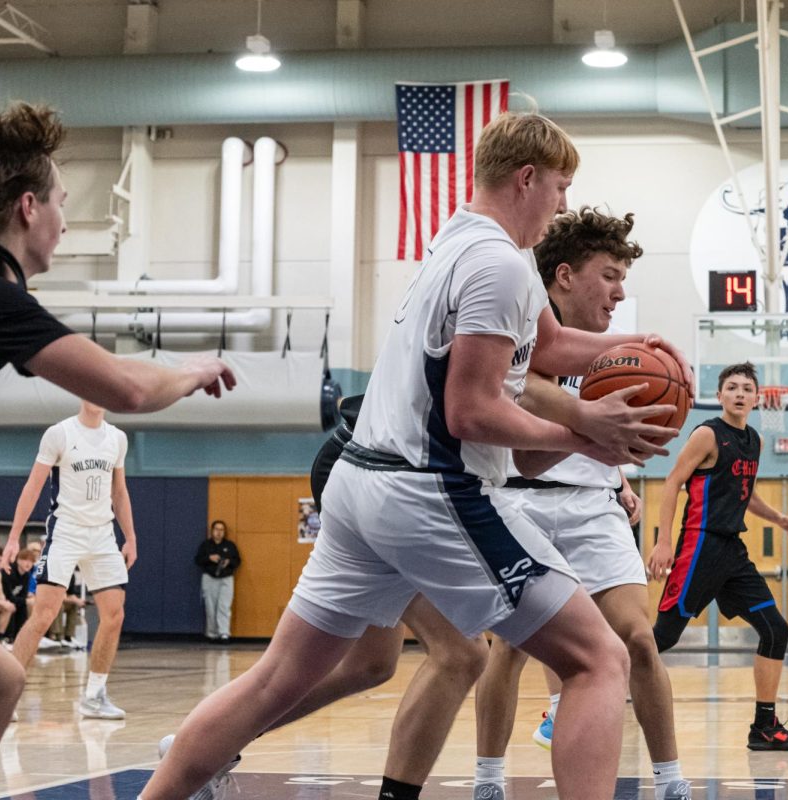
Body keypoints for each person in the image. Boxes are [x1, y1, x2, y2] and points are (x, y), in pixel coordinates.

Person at [143, 111, 693, 800]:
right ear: (527, 178)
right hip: (429, 490)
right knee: (598, 659)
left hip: (359, 484)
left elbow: (544, 348)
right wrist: (585, 436)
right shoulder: (499, 265)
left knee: (280, 678)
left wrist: (640, 346)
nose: (563, 204)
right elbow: (470, 411)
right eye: (560, 186)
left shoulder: (466, 242)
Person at [0, 102, 234, 800]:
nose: (62, 218)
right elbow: (126, 387)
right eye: (60, 202)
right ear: (27, 208)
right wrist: (195, 368)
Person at [159, 393, 490, 800]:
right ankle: (199, 754)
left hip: (392, 473)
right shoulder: (522, 342)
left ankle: (207, 746)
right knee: (460, 652)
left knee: (371, 664)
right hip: (378, 472)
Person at [473, 207, 690, 800]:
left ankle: (670, 781)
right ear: (565, 276)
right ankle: (489, 780)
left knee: (639, 640)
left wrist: (619, 473)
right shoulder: (519, 334)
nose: (621, 292)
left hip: (594, 507)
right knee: (510, 647)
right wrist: (598, 438)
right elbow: (528, 458)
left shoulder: (615, 353)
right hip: (521, 503)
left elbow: (608, 439)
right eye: (611, 275)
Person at [648, 362, 788, 752]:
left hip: (733, 552)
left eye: (747, 389)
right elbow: (673, 481)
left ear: (758, 398)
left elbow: (746, 494)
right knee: (663, 637)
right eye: (732, 387)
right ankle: (596, 683)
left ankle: (764, 728)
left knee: (776, 630)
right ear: (720, 395)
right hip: (700, 546)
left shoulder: (753, 440)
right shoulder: (707, 435)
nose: (740, 394)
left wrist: (779, 519)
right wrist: (663, 541)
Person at [2, 400, 136, 719]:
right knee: (44, 612)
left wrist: (130, 536)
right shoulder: (59, 433)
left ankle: (93, 696)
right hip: (66, 531)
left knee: (114, 614)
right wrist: (13, 536)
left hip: (103, 533)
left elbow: (119, 491)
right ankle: (4, 695)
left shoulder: (117, 438)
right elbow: (33, 487)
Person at [195, 520, 241, 642]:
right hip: (209, 577)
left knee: (224, 606)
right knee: (210, 606)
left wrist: (228, 562)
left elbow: (237, 561)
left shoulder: (230, 546)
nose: (219, 532)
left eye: (221, 530)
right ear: (212, 531)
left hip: (226, 578)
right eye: (217, 529)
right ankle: (212, 633)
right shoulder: (206, 545)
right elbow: (198, 560)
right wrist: (210, 558)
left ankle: (224, 633)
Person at [2, 549, 37, 641]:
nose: (28, 564)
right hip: (3, 599)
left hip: (15, 599)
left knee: (23, 607)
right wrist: (25, 600)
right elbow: (7, 596)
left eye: (31, 561)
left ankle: (20, 636)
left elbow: (23, 595)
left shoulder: (27, 575)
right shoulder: (8, 572)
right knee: (13, 606)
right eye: (26, 560)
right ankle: (8, 637)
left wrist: (25, 600)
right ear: (18, 560)